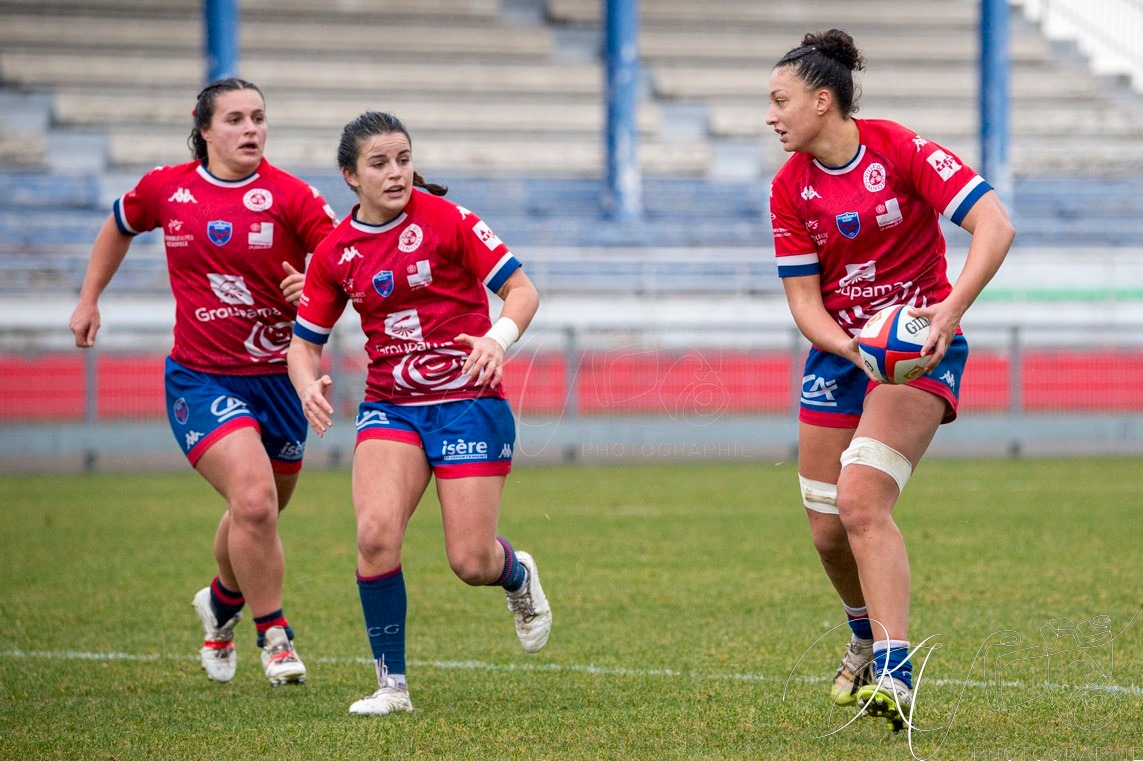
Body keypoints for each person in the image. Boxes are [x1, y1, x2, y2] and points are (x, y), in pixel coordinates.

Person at [765, 30, 1015, 730]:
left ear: (822, 100)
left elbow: (993, 225)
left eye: (779, 101)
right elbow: (803, 303)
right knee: (824, 531)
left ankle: (897, 672)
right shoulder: (789, 188)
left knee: (860, 498)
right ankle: (863, 633)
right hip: (844, 356)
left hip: (920, 350)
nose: (769, 115)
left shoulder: (900, 149)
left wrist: (947, 311)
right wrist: (853, 349)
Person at [68, 78, 338, 687]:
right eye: (236, 119)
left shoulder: (293, 197)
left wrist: (315, 287)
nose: (251, 130)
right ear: (205, 128)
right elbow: (119, 226)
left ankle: (220, 603)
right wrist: (89, 299)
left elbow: (342, 262)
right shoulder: (167, 188)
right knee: (252, 501)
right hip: (200, 378)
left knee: (259, 513)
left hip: (280, 381)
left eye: (259, 118)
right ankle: (275, 635)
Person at [287, 111, 551, 716]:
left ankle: (515, 575)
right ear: (350, 176)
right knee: (375, 535)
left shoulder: (448, 220)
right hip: (391, 406)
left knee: (470, 561)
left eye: (403, 159)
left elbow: (522, 291)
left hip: (467, 401)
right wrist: (306, 386)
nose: (396, 172)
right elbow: (304, 343)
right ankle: (392, 686)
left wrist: (497, 339)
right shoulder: (335, 251)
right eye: (379, 163)